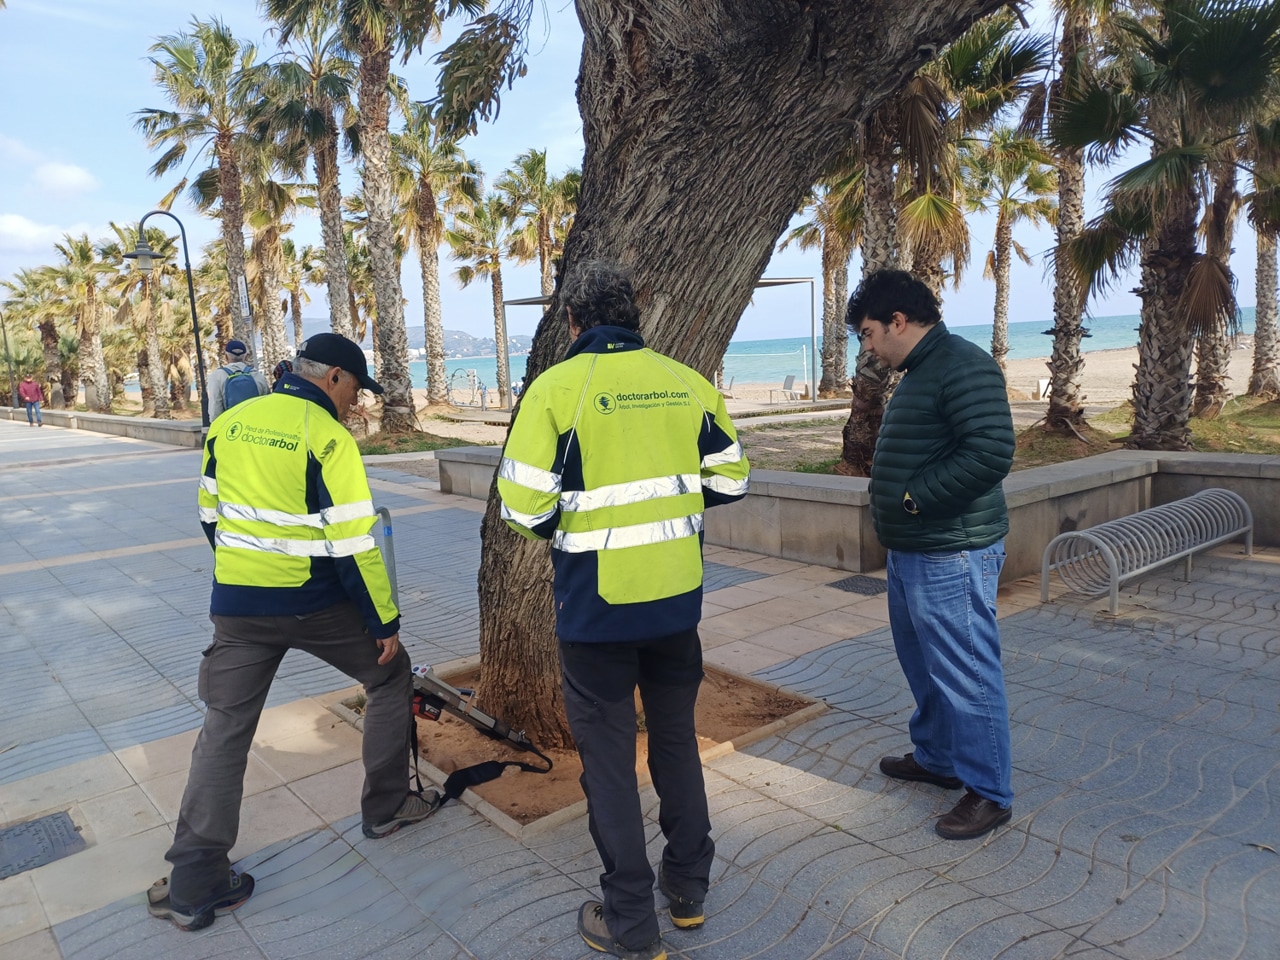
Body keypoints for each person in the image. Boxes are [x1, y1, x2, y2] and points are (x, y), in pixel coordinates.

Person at [498, 260, 750, 960]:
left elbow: (524, 510)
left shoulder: (557, 390)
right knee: (675, 743)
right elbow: (731, 480)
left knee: (609, 766)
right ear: (635, 316)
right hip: (676, 605)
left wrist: (582, 521)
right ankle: (688, 891)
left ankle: (632, 924)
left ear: (572, 321)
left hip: (596, 614)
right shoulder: (686, 382)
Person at [148, 332, 440, 932]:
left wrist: (245, 572)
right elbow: (354, 541)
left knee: (224, 730)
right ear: (332, 378)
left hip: (237, 605)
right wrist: (383, 621)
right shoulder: (325, 436)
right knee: (390, 677)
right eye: (355, 389)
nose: (356, 403)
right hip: (315, 604)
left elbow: (209, 514)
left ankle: (194, 883)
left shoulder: (230, 424)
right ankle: (386, 808)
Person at [848, 268, 1016, 840]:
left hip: (950, 550)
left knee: (966, 671)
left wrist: (915, 499)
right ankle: (939, 758)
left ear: (897, 321)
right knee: (925, 665)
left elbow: (991, 451)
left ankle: (989, 791)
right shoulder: (925, 369)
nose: (868, 347)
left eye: (868, 333)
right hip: (916, 549)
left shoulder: (962, 365)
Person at [205, 339, 268, 420]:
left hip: (231, 424)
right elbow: (266, 404)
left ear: (226, 357)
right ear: (246, 356)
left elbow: (215, 410)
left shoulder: (218, 376)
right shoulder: (257, 375)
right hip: (255, 423)